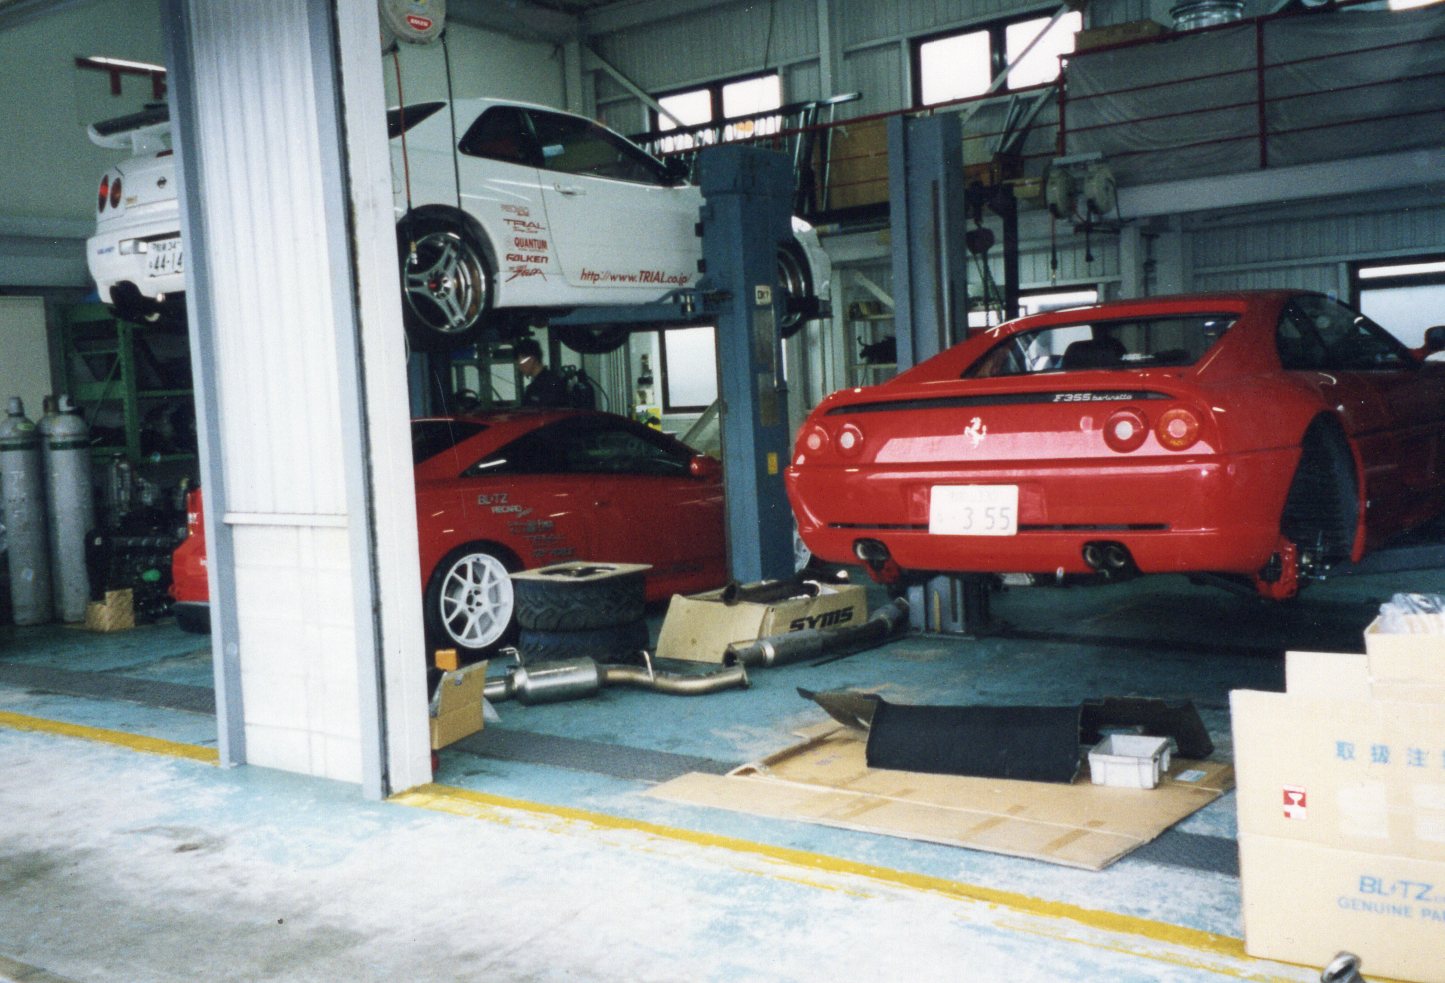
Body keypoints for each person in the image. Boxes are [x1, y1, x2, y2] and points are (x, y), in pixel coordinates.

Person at [514, 337, 570, 407]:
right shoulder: (537, 385)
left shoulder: (548, 385)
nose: (519, 367)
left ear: (532, 359)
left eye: (520, 363)